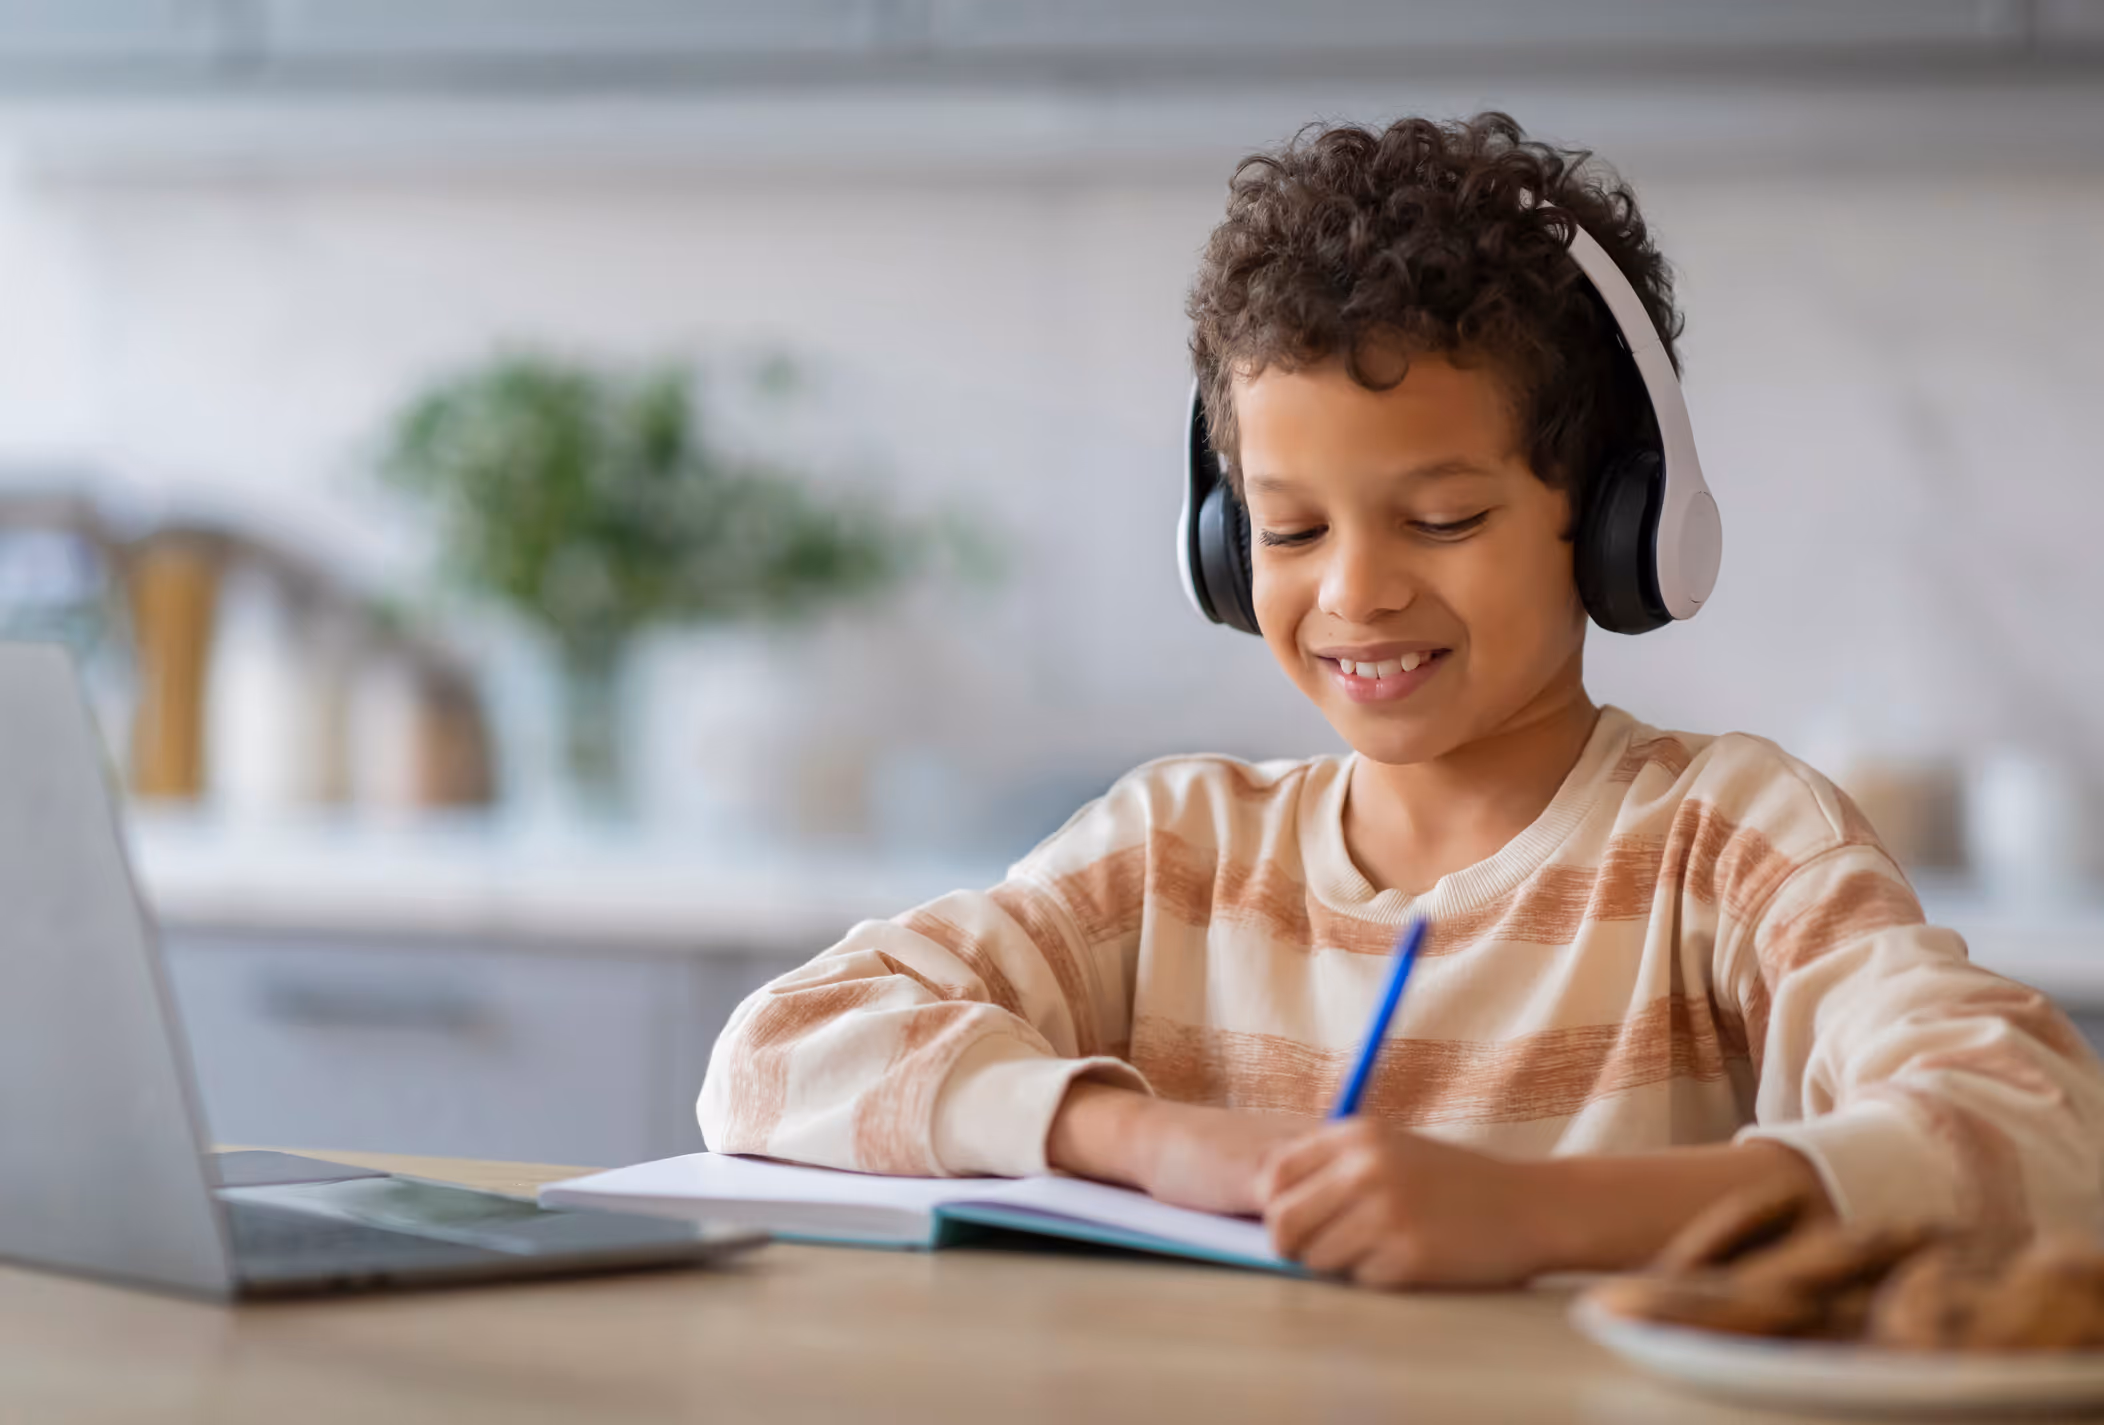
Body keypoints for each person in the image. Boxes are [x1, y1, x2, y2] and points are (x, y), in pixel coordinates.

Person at [697, 112, 2104, 1288]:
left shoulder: (1724, 847)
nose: (1354, 594)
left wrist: (1537, 1216)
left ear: (1622, 521)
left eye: (1440, 519)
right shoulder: (1173, 855)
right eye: (1291, 531)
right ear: (1223, 542)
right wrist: (1146, 1138)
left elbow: (2040, 1130)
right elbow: (774, 1057)